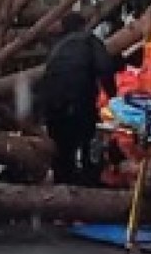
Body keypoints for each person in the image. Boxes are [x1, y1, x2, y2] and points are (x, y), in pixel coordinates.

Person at [39, 11, 117, 185]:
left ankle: (62, 184)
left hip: (53, 105)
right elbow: (105, 68)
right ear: (83, 26)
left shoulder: (56, 48)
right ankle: (88, 182)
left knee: (62, 149)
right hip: (80, 101)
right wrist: (113, 97)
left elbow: (47, 77)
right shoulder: (89, 41)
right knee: (87, 141)